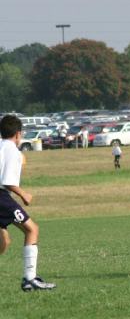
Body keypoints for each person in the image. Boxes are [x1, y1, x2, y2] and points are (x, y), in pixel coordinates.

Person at [0, 115, 56, 291]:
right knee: (32, 229)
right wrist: (24, 195)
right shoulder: (13, 152)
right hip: (1, 197)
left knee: (4, 241)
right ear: (18, 134)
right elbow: (8, 181)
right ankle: (30, 279)